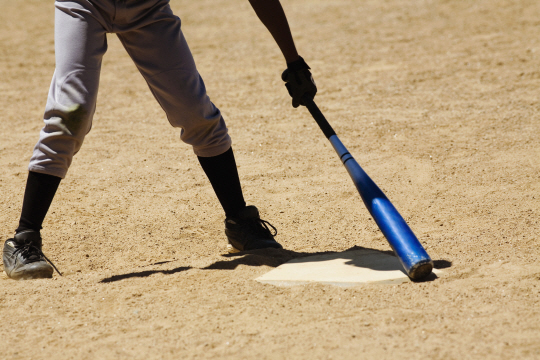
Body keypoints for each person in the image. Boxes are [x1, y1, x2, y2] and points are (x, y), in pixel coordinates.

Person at [2, 0, 317, 280]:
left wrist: (292, 59)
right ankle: (24, 238)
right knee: (72, 115)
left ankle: (240, 223)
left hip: (147, 8)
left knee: (195, 112)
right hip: (84, 4)